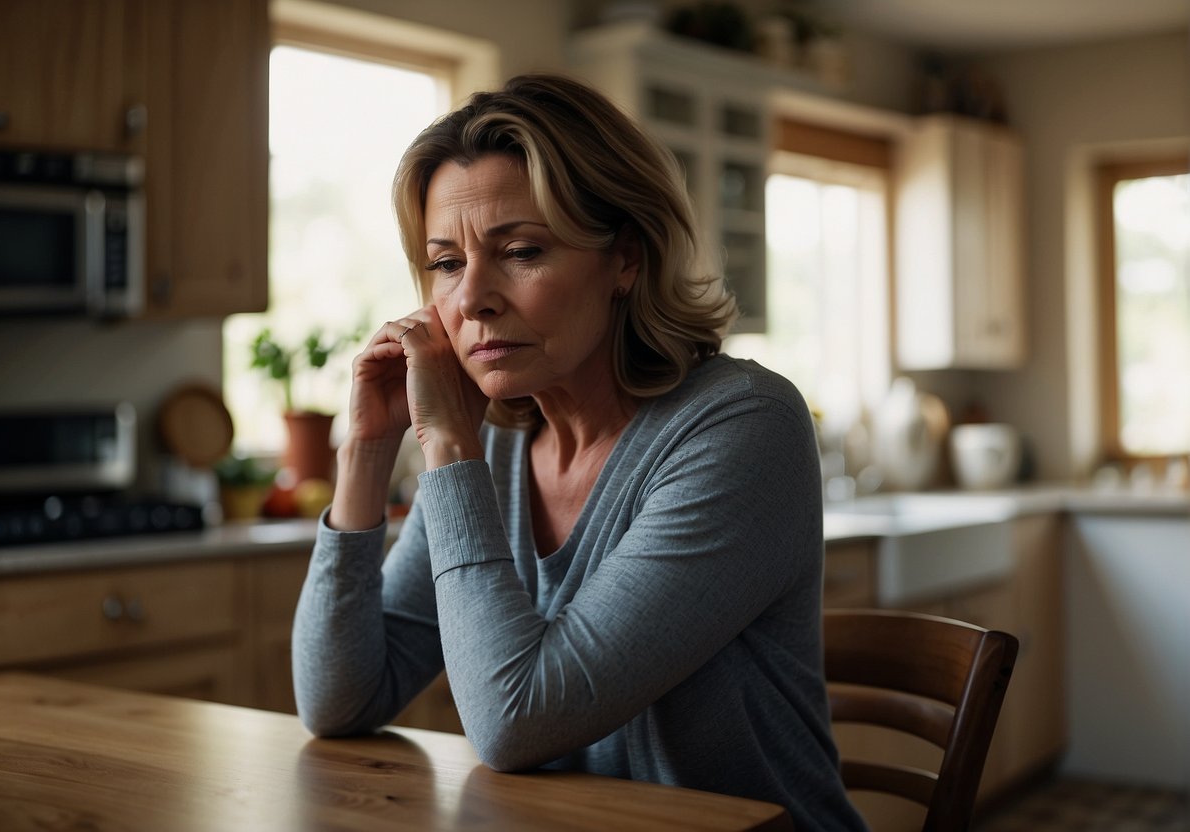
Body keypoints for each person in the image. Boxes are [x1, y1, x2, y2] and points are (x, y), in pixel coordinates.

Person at [291, 72, 867, 831]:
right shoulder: (490, 447)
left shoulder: (742, 426)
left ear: (624, 258)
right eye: (446, 263)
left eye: (521, 251)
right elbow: (338, 700)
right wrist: (366, 452)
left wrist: (448, 447)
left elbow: (513, 721)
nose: (471, 300)